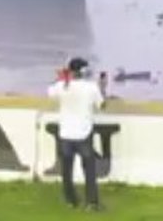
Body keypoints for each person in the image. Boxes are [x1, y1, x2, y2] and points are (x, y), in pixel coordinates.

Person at [48, 57, 107, 211]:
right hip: (83, 133)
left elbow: (50, 92)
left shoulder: (62, 86)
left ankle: (71, 200)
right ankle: (92, 203)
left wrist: (60, 78)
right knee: (89, 170)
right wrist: (103, 88)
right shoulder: (91, 88)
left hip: (66, 134)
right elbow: (102, 105)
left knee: (66, 171)